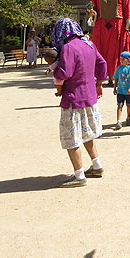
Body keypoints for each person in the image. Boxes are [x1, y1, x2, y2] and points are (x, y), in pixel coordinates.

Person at [52, 18, 108, 188]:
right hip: (89, 97)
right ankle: (97, 166)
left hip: (73, 99)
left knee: (71, 137)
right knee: (87, 133)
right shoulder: (88, 44)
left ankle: (79, 175)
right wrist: (99, 83)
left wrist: (55, 74)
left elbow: (64, 73)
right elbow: (102, 63)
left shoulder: (68, 47)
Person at [88, 0, 130, 85]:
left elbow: (127, 9)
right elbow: (92, 8)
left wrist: (129, 23)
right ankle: (100, 77)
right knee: (101, 50)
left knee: (116, 51)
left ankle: (113, 77)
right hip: (101, 24)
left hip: (118, 25)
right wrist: (91, 15)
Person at [113, 51, 130, 129]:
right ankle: (118, 121)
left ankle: (128, 117)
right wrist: (115, 88)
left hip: (128, 91)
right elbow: (116, 78)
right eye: (120, 59)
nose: (121, 60)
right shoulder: (119, 68)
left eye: (123, 59)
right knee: (120, 105)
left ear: (128, 59)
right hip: (120, 90)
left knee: (128, 105)